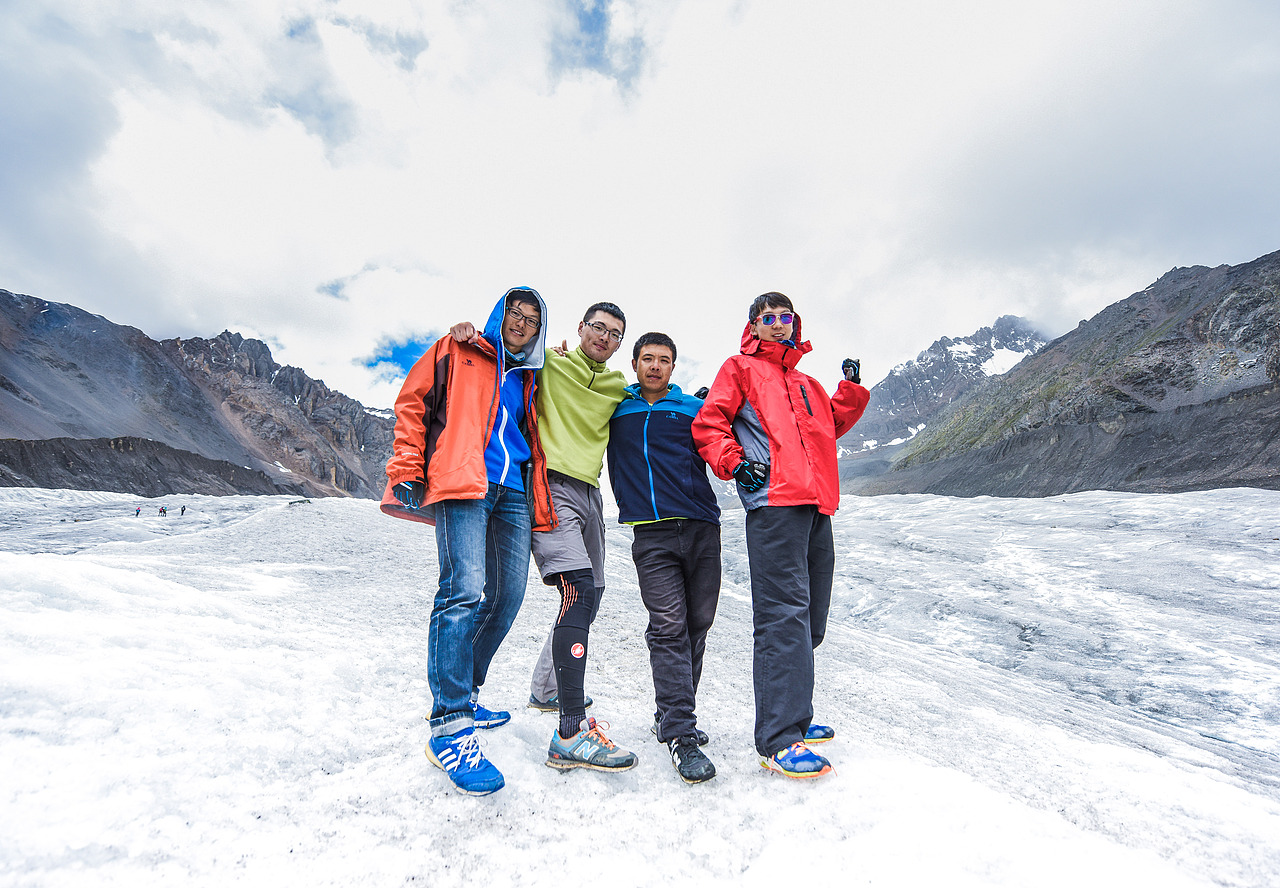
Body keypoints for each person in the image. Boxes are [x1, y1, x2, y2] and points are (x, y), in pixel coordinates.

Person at [381, 286, 551, 796]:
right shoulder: (458, 348)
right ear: (499, 314)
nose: (520, 325)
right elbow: (413, 404)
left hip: (514, 490)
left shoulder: (534, 375)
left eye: (531, 320)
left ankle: (467, 690)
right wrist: (407, 467)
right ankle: (450, 726)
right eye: (514, 315)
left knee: (508, 595)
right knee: (462, 592)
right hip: (464, 483)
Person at [691, 292, 869, 779]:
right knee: (782, 617)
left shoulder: (807, 381)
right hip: (773, 505)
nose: (777, 325)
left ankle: (794, 714)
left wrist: (849, 391)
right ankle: (779, 738)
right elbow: (709, 423)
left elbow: (827, 428)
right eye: (767, 319)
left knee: (810, 618)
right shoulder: (740, 369)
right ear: (753, 325)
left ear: (795, 323)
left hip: (815, 504)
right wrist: (734, 464)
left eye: (784, 318)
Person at [453, 301, 635, 771]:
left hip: (592, 494)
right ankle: (570, 731)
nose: (604, 337)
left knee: (590, 595)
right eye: (597, 327)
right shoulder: (548, 362)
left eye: (614, 334)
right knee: (575, 592)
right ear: (579, 328)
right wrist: (470, 333)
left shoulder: (618, 387)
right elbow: (505, 358)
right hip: (548, 487)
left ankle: (547, 689)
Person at [606, 332, 721, 784]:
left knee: (697, 625)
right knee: (668, 626)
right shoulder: (615, 408)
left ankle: (671, 714)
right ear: (634, 363)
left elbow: (725, 441)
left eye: (664, 360)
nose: (655, 366)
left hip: (701, 528)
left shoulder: (691, 409)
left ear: (673, 367)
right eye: (647, 359)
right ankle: (680, 734)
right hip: (651, 536)